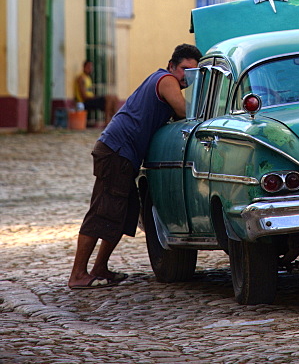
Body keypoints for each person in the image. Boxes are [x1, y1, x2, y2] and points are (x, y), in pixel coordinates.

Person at [68, 43, 202, 289]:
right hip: (116, 152)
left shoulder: (161, 79)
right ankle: (77, 274)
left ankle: (99, 268)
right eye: (184, 69)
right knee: (102, 211)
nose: (187, 76)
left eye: (193, 73)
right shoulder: (167, 80)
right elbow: (184, 111)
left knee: (124, 213)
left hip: (121, 154)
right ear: (172, 66)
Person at [74, 60, 118, 126]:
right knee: (108, 98)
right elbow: (84, 96)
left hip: (91, 99)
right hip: (85, 102)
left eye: (91, 67)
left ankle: (115, 120)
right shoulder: (81, 78)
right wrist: (95, 97)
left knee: (114, 98)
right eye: (88, 67)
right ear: (84, 67)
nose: (90, 69)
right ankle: (107, 121)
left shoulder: (88, 78)